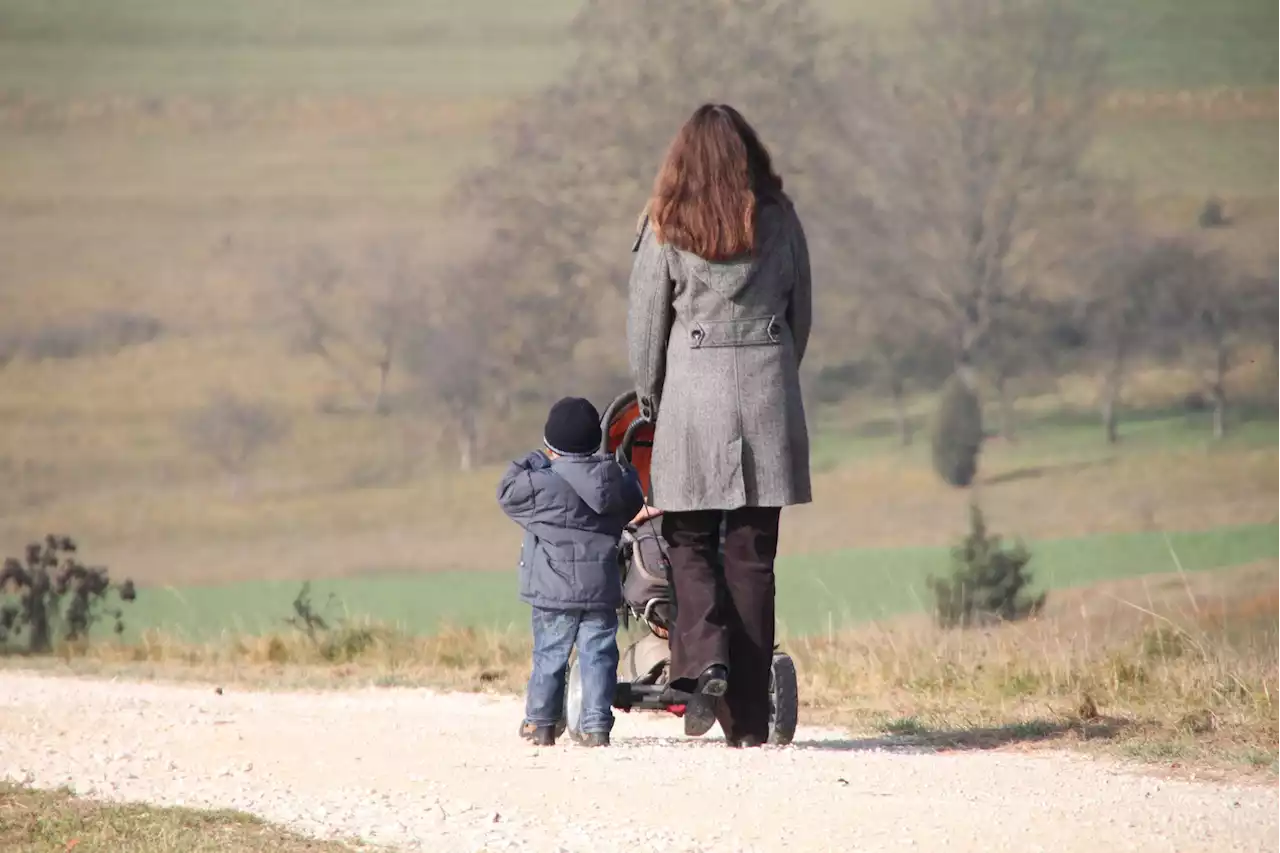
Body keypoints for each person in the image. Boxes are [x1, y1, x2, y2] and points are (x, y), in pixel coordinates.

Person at [626, 103, 812, 748]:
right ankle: (750, 724)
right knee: (753, 558)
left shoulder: (665, 225)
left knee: (688, 541)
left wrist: (652, 402)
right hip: (767, 393)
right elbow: (801, 313)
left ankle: (704, 660)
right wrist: (778, 377)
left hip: (692, 398)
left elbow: (648, 327)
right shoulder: (780, 219)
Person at [497, 396, 646, 748]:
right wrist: (619, 468)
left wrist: (534, 458)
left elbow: (506, 491)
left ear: (551, 445)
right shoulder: (612, 482)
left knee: (550, 654)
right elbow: (635, 498)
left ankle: (541, 724)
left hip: (553, 590)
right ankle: (595, 726)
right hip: (600, 588)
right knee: (598, 654)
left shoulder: (540, 483)